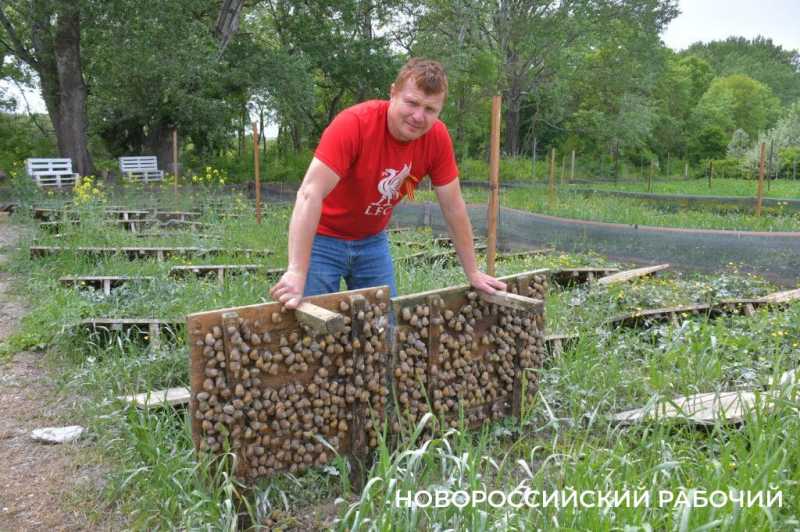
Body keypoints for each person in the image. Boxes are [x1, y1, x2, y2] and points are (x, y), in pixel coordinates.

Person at [270, 58, 506, 309]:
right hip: (322, 238)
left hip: (372, 240)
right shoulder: (355, 124)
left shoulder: (437, 138)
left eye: (430, 109)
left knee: (383, 327)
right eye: (412, 103)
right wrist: (296, 270)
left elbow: (453, 207)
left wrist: (473, 272)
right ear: (393, 92)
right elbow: (309, 193)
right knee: (313, 324)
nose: (418, 116)